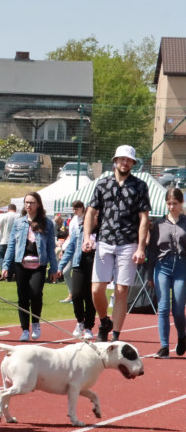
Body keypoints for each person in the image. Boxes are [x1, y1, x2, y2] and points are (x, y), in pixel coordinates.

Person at [82, 145, 151, 342]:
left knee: (122, 290)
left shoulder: (140, 186)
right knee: (96, 289)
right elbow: (90, 212)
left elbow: (144, 219)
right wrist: (87, 237)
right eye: (122, 159)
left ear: (133, 163)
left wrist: (140, 247)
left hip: (128, 243)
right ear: (115, 160)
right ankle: (104, 321)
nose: (125, 162)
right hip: (104, 241)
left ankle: (116, 336)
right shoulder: (102, 184)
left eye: (128, 160)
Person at [1, 191, 60, 341]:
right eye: (26, 202)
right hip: (21, 263)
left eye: (31, 202)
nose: (28, 205)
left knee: (35, 293)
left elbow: (51, 247)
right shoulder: (19, 222)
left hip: (38, 265)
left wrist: (54, 268)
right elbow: (12, 245)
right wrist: (6, 265)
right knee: (22, 297)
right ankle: (24, 329)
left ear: (38, 204)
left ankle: (35, 323)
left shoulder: (47, 223)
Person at [144, 188, 186, 358]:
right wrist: (149, 274)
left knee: (178, 309)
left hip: (182, 267)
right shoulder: (159, 224)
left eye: (174, 204)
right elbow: (152, 250)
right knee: (162, 308)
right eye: (168, 203)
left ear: (181, 203)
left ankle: (182, 335)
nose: (171, 207)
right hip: (162, 266)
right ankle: (164, 346)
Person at [58, 200, 96, 340]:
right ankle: (80, 321)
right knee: (77, 295)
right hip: (79, 264)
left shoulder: (103, 232)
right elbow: (70, 249)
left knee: (91, 297)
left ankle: (89, 327)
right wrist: (60, 266)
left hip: (96, 267)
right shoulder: (78, 230)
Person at [0, 203, 18, 281]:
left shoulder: (4, 216)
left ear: (8, 209)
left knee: (0, 256)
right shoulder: (19, 216)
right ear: (15, 209)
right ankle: (10, 274)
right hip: (15, 240)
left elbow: (0, 227)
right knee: (12, 258)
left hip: (4, 239)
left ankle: (4, 271)